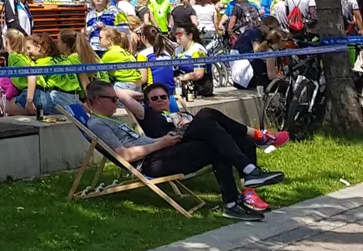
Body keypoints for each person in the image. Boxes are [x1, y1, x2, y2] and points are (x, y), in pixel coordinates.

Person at [83, 80, 283, 221]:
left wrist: (162, 141)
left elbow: (139, 140)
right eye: (113, 99)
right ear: (98, 100)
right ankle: (248, 172)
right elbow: (123, 155)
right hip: (151, 162)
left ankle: (234, 201)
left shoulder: (109, 119)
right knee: (208, 121)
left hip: (160, 150)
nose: (117, 102)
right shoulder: (97, 124)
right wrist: (159, 144)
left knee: (215, 136)